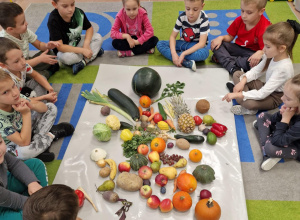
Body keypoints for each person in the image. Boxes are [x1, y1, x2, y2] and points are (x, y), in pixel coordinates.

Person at [222, 20, 300, 115]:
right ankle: (241, 92)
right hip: (265, 86)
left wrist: (238, 94)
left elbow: (263, 93)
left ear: (282, 48)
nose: (263, 49)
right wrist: (242, 82)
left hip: (274, 96)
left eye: (267, 46)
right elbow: (256, 71)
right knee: (237, 74)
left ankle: (247, 105)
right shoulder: (271, 55)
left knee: (249, 103)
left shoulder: (283, 69)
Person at [0, 69, 75, 162]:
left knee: (51, 107)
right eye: (5, 92)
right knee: (23, 153)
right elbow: (24, 142)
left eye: (13, 86)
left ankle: (37, 143)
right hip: (14, 143)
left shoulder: (16, 98)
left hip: (27, 129)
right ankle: (50, 135)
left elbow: (45, 109)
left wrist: (32, 105)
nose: (15, 93)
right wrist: (26, 113)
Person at [0, 2, 60, 79]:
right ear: (10, 29)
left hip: (26, 61)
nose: (27, 23)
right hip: (15, 69)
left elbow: (39, 45)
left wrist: (47, 46)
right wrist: (39, 59)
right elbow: (17, 65)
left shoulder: (24, 31)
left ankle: (42, 70)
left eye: (25, 20)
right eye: (22, 23)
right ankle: (48, 72)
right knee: (39, 77)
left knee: (50, 52)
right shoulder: (6, 43)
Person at [210, 0, 271, 75]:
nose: (244, 16)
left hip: (252, 54)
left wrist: (260, 52)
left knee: (262, 61)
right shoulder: (239, 20)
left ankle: (226, 62)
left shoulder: (265, 28)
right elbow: (229, 37)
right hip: (238, 48)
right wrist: (220, 38)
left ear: (261, 11)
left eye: (249, 12)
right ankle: (233, 65)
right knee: (216, 44)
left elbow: (268, 49)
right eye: (242, 11)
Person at [254, 74, 300, 171]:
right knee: (263, 116)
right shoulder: (293, 106)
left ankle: (266, 153)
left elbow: (277, 141)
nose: (282, 99)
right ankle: (268, 142)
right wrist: (280, 114)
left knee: (270, 147)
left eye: (288, 98)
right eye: (284, 94)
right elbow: (274, 119)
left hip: (296, 146)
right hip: (287, 132)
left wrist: (285, 119)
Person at [48, 0, 104, 75]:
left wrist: (86, 45)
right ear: (55, 4)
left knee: (98, 37)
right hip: (64, 51)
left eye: (72, 4)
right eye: (65, 6)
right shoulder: (53, 20)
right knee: (66, 58)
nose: (70, 9)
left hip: (77, 42)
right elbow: (60, 47)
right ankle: (93, 53)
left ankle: (83, 62)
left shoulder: (79, 12)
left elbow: (89, 28)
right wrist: (83, 50)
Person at [0, 134, 48, 220]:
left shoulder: (2, 155)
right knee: (34, 215)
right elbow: (10, 199)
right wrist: (40, 205)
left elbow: (15, 164)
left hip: (5, 190)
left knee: (35, 164)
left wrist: (32, 182)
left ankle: (41, 199)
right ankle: (40, 205)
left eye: (0, 142)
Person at [156, 0, 210, 71]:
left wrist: (184, 53)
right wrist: (173, 53)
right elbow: (172, 37)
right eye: (188, 9)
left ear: (202, 6)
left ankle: (179, 57)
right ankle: (184, 61)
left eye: (195, 9)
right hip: (183, 43)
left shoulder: (204, 19)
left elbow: (201, 43)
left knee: (205, 53)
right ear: (184, 3)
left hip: (196, 46)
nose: (191, 13)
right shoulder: (181, 17)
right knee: (160, 44)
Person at [0, 37, 57, 103]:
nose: (24, 62)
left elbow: (36, 75)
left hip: (21, 91)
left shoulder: (23, 65)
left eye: (22, 56)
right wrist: (44, 97)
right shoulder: (7, 79)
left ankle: (41, 103)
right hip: (14, 101)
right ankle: (42, 104)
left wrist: (49, 88)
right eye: (16, 61)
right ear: (3, 65)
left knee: (42, 78)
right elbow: (17, 101)